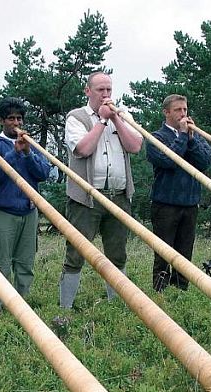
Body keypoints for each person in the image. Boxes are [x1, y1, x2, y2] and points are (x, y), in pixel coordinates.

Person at [60, 71, 143, 308]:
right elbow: (83, 149)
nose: (106, 95)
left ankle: (115, 306)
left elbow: (135, 145)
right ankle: (65, 308)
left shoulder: (123, 115)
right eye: (100, 90)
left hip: (118, 195)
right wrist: (102, 121)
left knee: (117, 253)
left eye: (109, 90)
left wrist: (116, 119)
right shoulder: (76, 117)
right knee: (76, 253)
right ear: (88, 91)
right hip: (86, 198)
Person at [0, 97, 51, 313]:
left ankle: (20, 307)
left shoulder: (32, 144)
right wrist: (14, 153)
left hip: (29, 212)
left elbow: (43, 173)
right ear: (1, 120)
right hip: (2, 212)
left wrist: (28, 152)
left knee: (25, 263)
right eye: (11, 118)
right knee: (0, 262)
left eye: (19, 118)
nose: (16, 123)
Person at [146, 95, 211, 291]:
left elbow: (204, 162)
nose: (183, 114)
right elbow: (168, 160)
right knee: (163, 252)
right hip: (165, 204)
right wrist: (183, 136)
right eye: (178, 110)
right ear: (166, 112)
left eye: (185, 109)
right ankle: (160, 291)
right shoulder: (155, 137)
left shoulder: (194, 136)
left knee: (185, 252)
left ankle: (181, 291)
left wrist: (190, 138)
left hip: (190, 203)